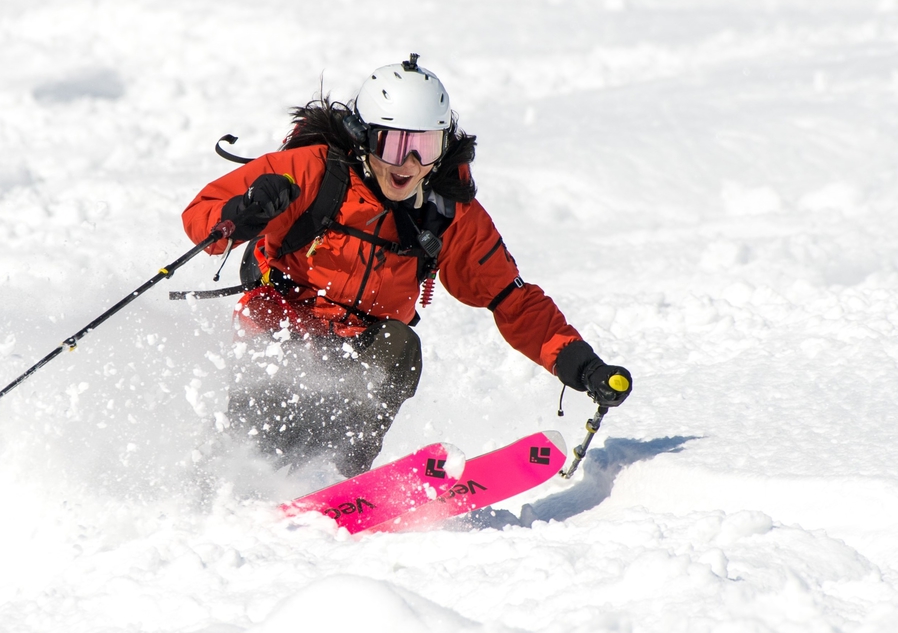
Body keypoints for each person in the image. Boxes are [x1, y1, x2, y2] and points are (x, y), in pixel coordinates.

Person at [181, 55, 632, 476]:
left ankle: (334, 477)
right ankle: (227, 472)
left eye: (425, 146)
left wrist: (582, 365)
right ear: (364, 138)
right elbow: (203, 212)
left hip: (360, 343)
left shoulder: (446, 213)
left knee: (400, 349)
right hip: (280, 326)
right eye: (394, 144)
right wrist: (244, 210)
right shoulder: (314, 170)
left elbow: (512, 299)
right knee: (270, 420)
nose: (409, 164)